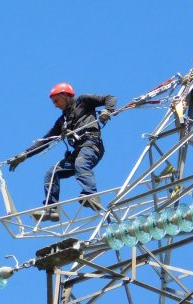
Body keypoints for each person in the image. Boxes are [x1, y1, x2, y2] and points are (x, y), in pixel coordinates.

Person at [8, 82, 116, 222]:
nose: (55, 105)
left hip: (91, 145)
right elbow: (46, 140)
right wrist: (25, 155)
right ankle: (51, 209)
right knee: (52, 172)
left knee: (81, 163)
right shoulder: (62, 121)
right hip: (78, 151)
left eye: (56, 101)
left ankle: (91, 195)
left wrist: (108, 110)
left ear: (65, 95)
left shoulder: (83, 101)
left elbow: (109, 98)